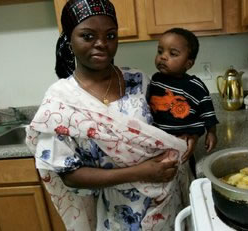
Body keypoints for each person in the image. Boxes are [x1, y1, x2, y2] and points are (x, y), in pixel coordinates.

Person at [25, 1, 193, 230]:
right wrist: (141, 172)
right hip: (120, 215)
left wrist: (190, 134)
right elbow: (69, 175)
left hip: (166, 205)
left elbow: (168, 125)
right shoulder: (60, 102)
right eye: (88, 36)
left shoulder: (138, 80)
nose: (102, 44)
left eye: (111, 35)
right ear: (69, 40)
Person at [148, 28, 219, 177]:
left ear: (189, 63)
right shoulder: (155, 79)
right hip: (157, 144)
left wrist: (211, 132)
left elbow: (208, 110)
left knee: (185, 177)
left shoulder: (195, 85)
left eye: (172, 54)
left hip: (183, 143)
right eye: (160, 51)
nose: (163, 57)